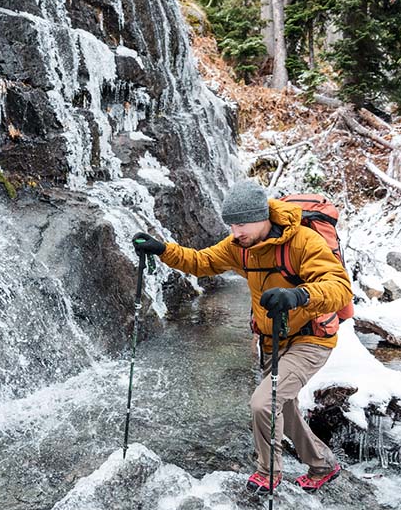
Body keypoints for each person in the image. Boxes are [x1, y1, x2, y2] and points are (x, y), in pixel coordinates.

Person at [133, 179, 353, 493]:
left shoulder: (303, 242)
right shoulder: (241, 247)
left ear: (263, 216)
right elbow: (203, 262)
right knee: (283, 406)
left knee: (264, 404)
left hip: (310, 337)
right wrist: (162, 250)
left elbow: (339, 288)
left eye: (242, 224)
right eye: (232, 225)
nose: (236, 232)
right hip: (272, 340)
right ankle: (322, 465)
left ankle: (268, 473)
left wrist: (299, 296)